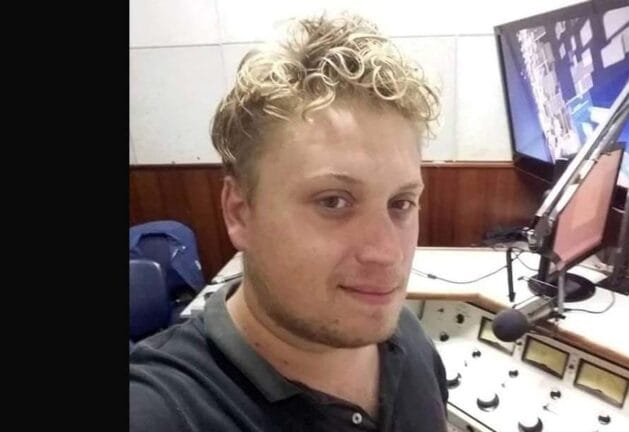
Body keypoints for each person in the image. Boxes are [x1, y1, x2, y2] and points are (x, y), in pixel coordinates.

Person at [130, 13, 448, 432]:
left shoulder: (408, 337)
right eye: (333, 202)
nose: (389, 254)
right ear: (239, 212)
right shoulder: (160, 412)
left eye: (401, 203)